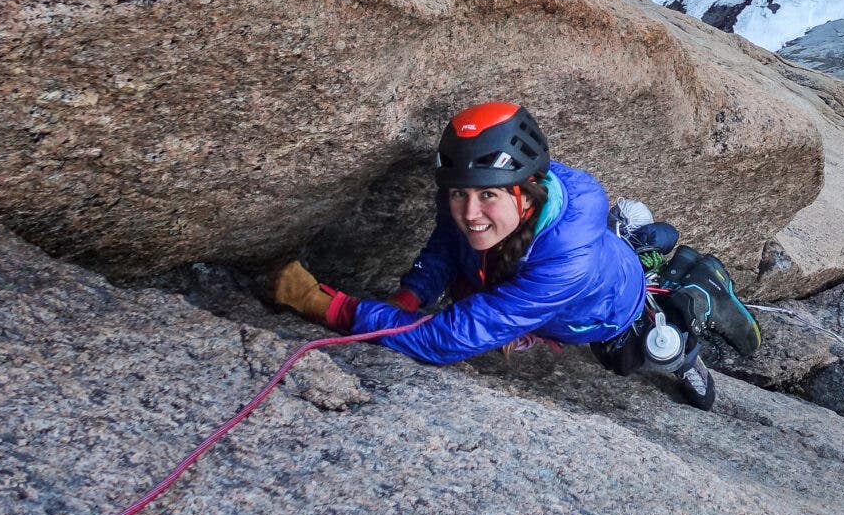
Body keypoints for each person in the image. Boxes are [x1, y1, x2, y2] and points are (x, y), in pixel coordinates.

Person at [261, 102, 757, 409]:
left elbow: (450, 338)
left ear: (529, 191)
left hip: (610, 313)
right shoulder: (474, 187)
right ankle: (632, 240)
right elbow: (446, 246)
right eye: (458, 194)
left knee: (642, 352)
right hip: (548, 284)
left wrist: (331, 307)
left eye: (487, 198)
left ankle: (686, 358)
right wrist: (410, 295)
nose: (469, 212)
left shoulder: (567, 261)